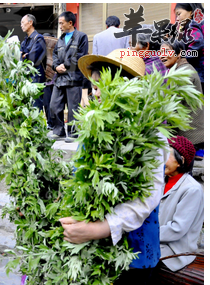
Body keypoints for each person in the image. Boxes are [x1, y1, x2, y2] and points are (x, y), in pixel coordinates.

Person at [60, 49, 168, 284]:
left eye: (102, 87)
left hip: (132, 253)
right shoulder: (94, 126)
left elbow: (149, 197)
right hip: (95, 251)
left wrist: (100, 228)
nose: (96, 94)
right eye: (95, 87)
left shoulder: (149, 134)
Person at [157, 136, 203, 273]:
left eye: (166, 155)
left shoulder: (191, 189)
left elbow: (177, 229)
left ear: (180, 161)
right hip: (156, 242)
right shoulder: (161, 181)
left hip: (174, 251)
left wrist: (146, 234)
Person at [159, 40, 203, 156]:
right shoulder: (182, 70)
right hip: (189, 134)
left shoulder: (183, 74)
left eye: (166, 51)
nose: (162, 55)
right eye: (160, 52)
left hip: (188, 136)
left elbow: (171, 107)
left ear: (179, 53)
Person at [49, 11, 88, 141]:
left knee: (73, 108)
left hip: (74, 77)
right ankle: (58, 131)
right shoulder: (60, 40)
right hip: (59, 78)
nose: (60, 26)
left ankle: (73, 133)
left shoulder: (81, 37)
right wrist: (55, 67)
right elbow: (54, 56)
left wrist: (64, 66)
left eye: (61, 23)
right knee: (54, 105)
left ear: (70, 23)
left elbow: (80, 57)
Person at [20, 14, 47, 113]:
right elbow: (20, 57)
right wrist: (23, 56)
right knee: (27, 105)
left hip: (36, 77)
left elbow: (31, 58)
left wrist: (24, 56)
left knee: (36, 105)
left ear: (30, 23)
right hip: (26, 77)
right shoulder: (24, 41)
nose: (21, 25)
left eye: (23, 22)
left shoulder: (39, 38)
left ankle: (38, 127)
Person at [174, 3, 204, 92]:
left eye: (179, 14)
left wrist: (184, 59)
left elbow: (197, 43)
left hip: (201, 71)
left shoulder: (192, 24)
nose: (177, 19)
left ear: (191, 12)